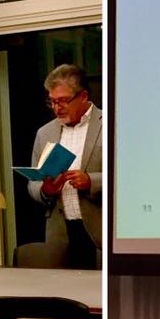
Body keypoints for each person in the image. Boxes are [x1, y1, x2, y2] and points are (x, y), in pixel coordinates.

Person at [28, 64, 101, 269]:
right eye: (52, 101)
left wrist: (91, 181)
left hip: (100, 230)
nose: (57, 107)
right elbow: (33, 181)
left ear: (83, 96)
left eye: (62, 100)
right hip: (60, 231)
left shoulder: (111, 124)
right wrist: (45, 189)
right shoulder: (45, 133)